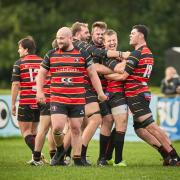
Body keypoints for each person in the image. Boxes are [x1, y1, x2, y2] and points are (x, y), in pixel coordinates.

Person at [104, 24, 180, 166]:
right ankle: (166, 155)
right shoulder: (148, 52)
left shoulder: (137, 53)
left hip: (136, 94)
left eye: (133, 33)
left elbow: (122, 77)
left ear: (141, 36)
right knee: (140, 130)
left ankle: (175, 157)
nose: (130, 35)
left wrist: (105, 76)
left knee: (151, 127)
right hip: (142, 92)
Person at [36, 27, 107, 166]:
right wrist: (39, 91)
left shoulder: (83, 54)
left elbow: (93, 74)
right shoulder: (51, 54)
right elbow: (41, 74)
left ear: (70, 38)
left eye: (62, 38)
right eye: (57, 38)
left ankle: (77, 158)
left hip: (77, 98)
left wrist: (100, 93)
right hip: (58, 98)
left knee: (75, 128)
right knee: (57, 128)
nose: (59, 41)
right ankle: (60, 150)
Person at [95, 29, 128, 167]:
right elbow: (109, 75)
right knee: (119, 124)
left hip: (120, 93)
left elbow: (125, 74)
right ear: (104, 42)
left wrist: (123, 72)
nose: (112, 43)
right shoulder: (105, 57)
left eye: (114, 40)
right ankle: (117, 160)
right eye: (109, 41)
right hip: (114, 93)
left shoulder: (122, 55)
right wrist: (121, 73)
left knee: (118, 125)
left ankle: (106, 157)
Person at [11, 36, 42, 162]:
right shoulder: (42, 61)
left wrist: (13, 104)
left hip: (26, 101)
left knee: (25, 132)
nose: (18, 51)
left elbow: (15, 84)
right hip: (40, 101)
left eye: (20, 48)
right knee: (34, 131)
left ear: (26, 50)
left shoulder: (19, 63)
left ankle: (38, 156)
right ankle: (35, 158)